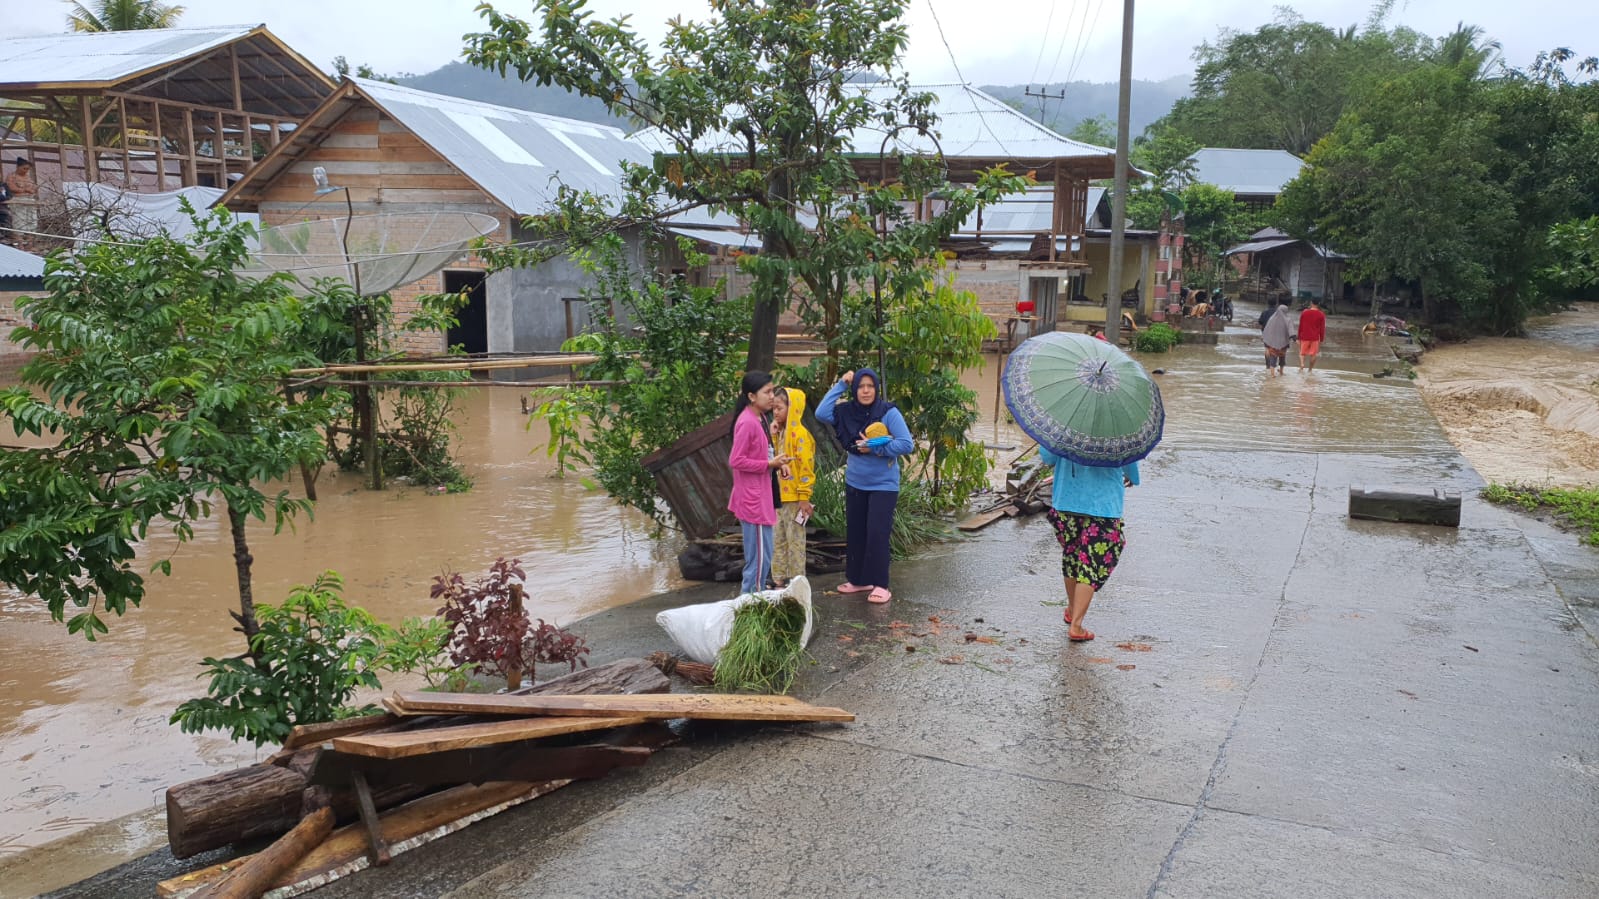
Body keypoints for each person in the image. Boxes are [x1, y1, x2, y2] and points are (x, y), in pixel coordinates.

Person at [816, 368, 914, 604]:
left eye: (870, 386)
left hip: (884, 484)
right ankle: (859, 580)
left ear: (877, 388)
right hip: (855, 481)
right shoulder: (846, 412)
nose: (866, 390)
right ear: (855, 389)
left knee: (877, 533)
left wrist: (877, 448)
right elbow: (821, 412)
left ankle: (881, 584)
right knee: (857, 531)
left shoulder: (888, 413)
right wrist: (841, 383)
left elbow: (906, 444)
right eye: (861, 386)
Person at [1039, 449, 1139, 642]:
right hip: (1104, 505)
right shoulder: (1117, 432)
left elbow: (1048, 456)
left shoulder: (1066, 426)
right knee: (1091, 565)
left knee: (1072, 558)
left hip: (1067, 501)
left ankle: (1071, 609)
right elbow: (1130, 460)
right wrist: (1132, 476)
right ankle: (1076, 625)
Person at [727, 371, 790, 595]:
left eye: (772, 390)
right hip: (752, 500)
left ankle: (756, 599)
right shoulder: (747, 422)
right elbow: (736, 460)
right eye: (767, 392)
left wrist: (778, 463)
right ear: (752, 396)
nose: (772, 396)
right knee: (759, 560)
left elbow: (763, 451)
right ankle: (749, 606)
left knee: (765, 555)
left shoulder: (761, 418)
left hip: (762, 495)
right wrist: (768, 464)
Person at [769, 386, 815, 587]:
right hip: (779, 498)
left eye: (779, 408)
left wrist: (804, 497)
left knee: (795, 541)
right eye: (774, 409)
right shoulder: (781, 433)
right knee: (778, 539)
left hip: (796, 500)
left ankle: (797, 581)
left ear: (792, 407)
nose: (775, 412)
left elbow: (806, 468)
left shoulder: (800, 435)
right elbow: (776, 459)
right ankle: (778, 579)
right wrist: (773, 435)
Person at [4, 159, 37, 242]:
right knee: (19, 221)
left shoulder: (28, 177)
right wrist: (25, 189)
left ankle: (30, 243)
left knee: (32, 221)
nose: (26, 171)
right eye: (24, 168)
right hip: (18, 200)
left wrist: (31, 190)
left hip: (30, 200)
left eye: (27, 169)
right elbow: (11, 187)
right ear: (18, 167)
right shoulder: (11, 176)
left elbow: (34, 188)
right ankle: (20, 243)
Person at [1262, 299, 1292, 377]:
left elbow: (1267, 330)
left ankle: (1272, 374)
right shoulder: (1288, 319)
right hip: (1283, 343)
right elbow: (1291, 330)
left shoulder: (1272, 319)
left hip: (1272, 342)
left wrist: (1266, 341)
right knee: (1282, 357)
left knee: (1273, 358)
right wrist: (1294, 337)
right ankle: (1281, 372)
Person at [1297, 297, 1326, 371]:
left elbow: (1301, 325)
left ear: (1311, 303)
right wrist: (1321, 339)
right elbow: (1322, 329)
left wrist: (1298, 337)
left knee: (1302, 353)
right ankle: (1310, 370)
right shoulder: (1321, 315)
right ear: (1318, 304)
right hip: (1315, 337)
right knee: (1313, 354)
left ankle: (1302, 364)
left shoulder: (1304, 312)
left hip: (1304, 336)